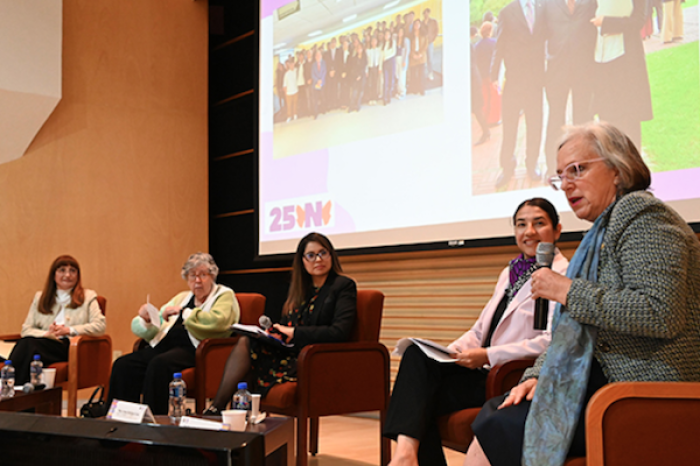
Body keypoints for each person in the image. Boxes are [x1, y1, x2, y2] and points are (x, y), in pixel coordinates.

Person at [465, 121, 700, 466]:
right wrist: (536, 375)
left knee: (499, 422)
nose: (567, 185)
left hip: (645, 387)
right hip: (602, 381)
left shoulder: (644, 215)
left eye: (578, 169)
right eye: (561, 176)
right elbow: (571, 334)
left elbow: (658, 312)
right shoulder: (599, 234)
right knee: (499, 411)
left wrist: (566, 289)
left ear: (618, 169)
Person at [384, 198, 569, 466]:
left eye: (538, 223)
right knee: (417, 357)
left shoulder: (564, 274)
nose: (529, 231)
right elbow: (481, 328)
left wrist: (487, 355)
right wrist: (450, 352)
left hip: (510, 376)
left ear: (558, 230)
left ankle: (405, 460)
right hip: (482, 371)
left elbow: (552, 341)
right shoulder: (510, 272)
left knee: (421, 399)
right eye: (521, 224)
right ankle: (405, 455)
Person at [203, 232, 357, 414]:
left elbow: (339, 332)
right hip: (290, 351)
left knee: (250, 358)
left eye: (323, 253)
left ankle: (221, 412)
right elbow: (288, 325)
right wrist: (274, 333)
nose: (318, 259)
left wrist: (295, 333)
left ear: (331, 255)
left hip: (313, 357)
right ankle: (225, 412)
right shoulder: (301, 290)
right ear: (302, 261)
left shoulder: (343, 286)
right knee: (247, 341)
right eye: (311, 255)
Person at [108, 253, 239, 415]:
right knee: (123, 364)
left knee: (159, 364)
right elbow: (161, 321)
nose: (197, 280)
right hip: (164, 345)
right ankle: (121, 421)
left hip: (196, 349)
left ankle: (154, 422)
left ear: (212, 276)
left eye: (203, 275)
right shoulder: (183, 297)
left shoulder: (224, 295)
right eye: (192, 275)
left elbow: (219, 322)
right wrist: (148, 318)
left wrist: (184, 313)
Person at [8, 255, 106, 385]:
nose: (67, 275)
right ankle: (24, 398)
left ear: (78, 275)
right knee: (28, 349)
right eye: (62, 270)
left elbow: (100, 326)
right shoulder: (40, 297)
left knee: (27, 346)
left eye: (72, 271)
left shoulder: (88, 297)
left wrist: (69, 330)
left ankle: (9, 392)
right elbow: (26, 329)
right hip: (43, 345)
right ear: (53, 275)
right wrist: (47, 334)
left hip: (70, 348)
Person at [491, 0, 547, 188]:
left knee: (535, 125)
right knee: (510, 128)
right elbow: (499, 45)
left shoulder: (542, 8)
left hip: (536, 81)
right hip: (514, 80)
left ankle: (532, 163)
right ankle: (507, 167)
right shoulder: (507, 12)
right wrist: (494, 75)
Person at [542, 0, 598, 178]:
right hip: (556, 71)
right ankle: (553, 167)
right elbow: (540, 34)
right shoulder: (547, 4)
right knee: (555, 120)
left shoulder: (590, 2)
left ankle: (584, 165)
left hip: (584, 70)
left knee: (583, 120)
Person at [590, 0, 653, 149]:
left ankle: (633, 169)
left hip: (626, 61)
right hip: (600, 61)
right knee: (607, 122)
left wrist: (607, 22)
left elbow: (638, 20)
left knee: (629, 119)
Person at [409, 20, 428, 96]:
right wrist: (413, 55)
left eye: (418, 24)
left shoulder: (423, 34)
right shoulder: (411, 36)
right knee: (413, 74)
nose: (416, 25)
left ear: (420, 25)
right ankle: (414, 89)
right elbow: (408, 46)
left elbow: (425, 45)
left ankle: (421, 89)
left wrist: (420, 54)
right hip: (413, 56)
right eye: (415, 24)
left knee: (421, 74)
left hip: (421, 56)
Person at [349, 42, 368, 112]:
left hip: (362, 76)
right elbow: (353, 67)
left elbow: (363, 67)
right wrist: (357, 75)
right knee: (354, 91)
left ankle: (358, 105)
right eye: (358, 48)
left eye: (360, 48)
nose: (359, 50)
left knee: (360, 91)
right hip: (355, 76)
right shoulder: (354, 58)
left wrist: (360, 75)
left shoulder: (364, 58)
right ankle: (351, 106)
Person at [422, 8, 439, 81]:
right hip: (422, 43)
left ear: (429, 13)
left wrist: (433, 38)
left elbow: (436, 30)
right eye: (424, 13)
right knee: (423, 59)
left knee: (430, 58)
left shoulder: (433, 21)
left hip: (429, 42)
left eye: (427, 13)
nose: (426, 14)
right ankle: (424, 74)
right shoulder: (422, 23)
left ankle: (430, 73)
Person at [311, 50, 327, 120]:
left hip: (322, 83)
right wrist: (317, 80)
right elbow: (312, 74)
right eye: (317, 55)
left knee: (323, 97)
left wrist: (321, 80)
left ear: (321, 56)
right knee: (316, 99)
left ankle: (323, 110)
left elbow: (324, 72)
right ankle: (316, 113)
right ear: (315, 57)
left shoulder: (324, 63)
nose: (318, 56)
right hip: (315, 84)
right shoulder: (313, 65)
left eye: (319, 55)